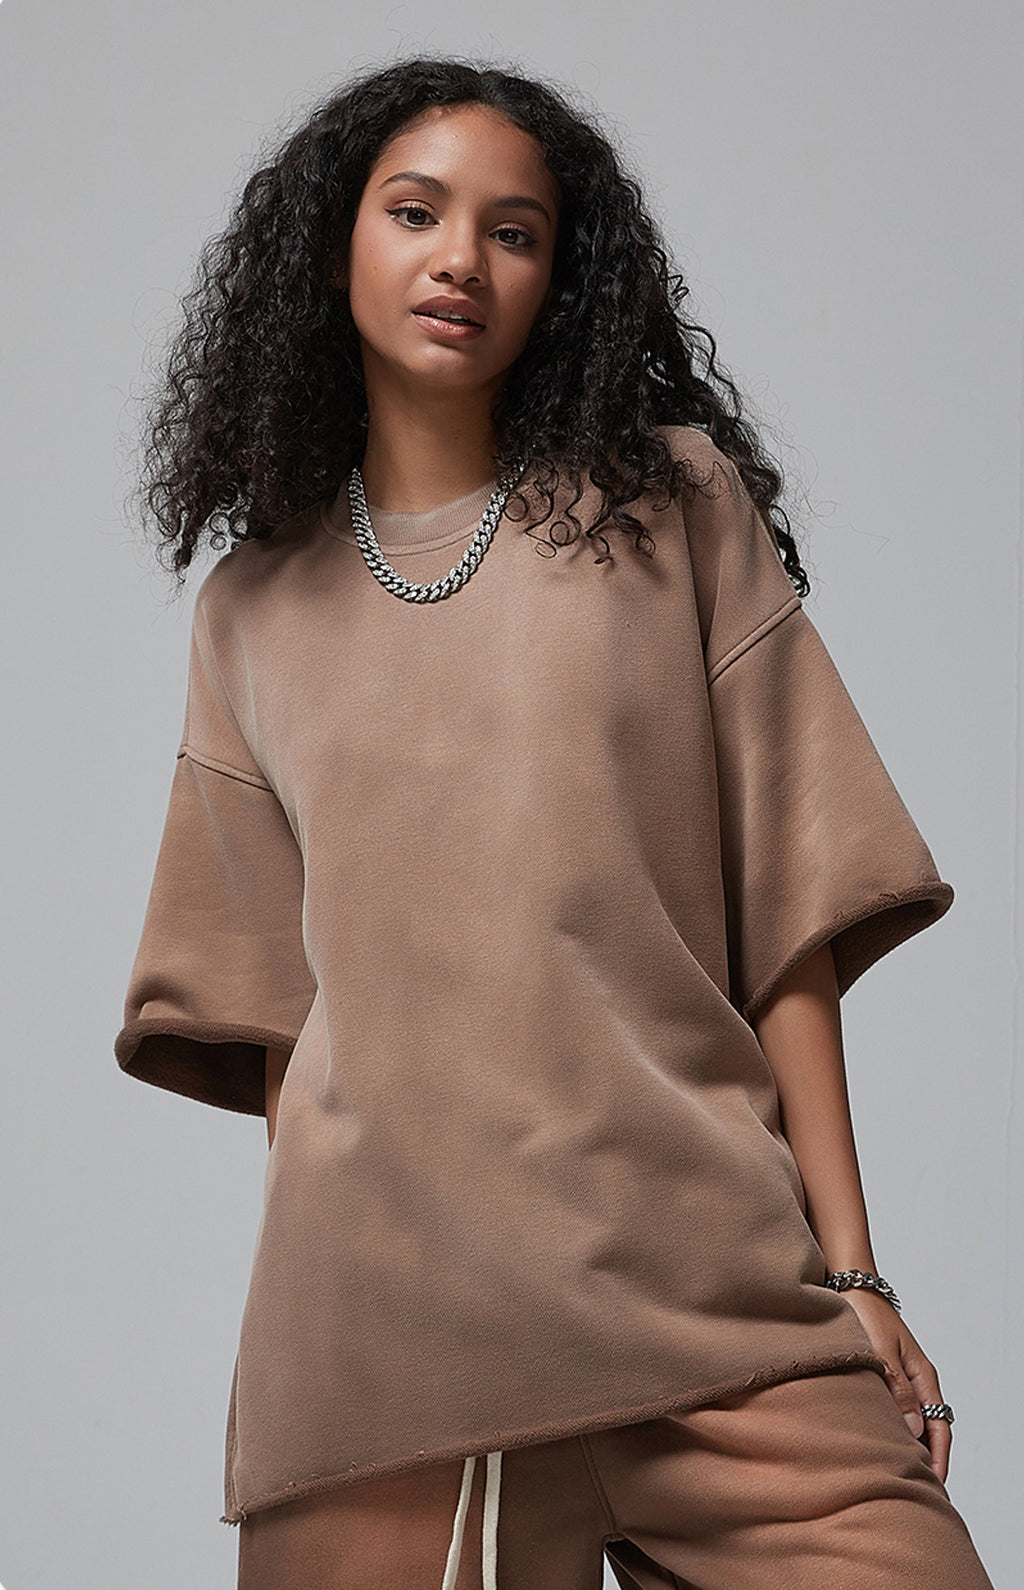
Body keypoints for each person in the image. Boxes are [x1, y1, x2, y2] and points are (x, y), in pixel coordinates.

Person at [114, 56, 995, 1590]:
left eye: (514, 231)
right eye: (416, 212)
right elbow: (282, 1038)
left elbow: (789, 914)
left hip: (708, 1306)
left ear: (560, 281)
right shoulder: (250, 609)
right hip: (387, 1367)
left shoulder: (672, 505)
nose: (461, 256)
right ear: (333, 244)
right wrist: (335, 1322)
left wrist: (853, 1267)